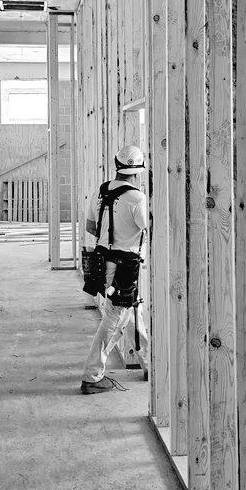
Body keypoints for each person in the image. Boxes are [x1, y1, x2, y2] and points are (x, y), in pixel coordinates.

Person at [80, 144, 149, 394]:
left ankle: (149, 362)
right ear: (137, 172)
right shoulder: (136, 198)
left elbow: (90, 227)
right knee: (115, 317)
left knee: (128, 312)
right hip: (125, 267)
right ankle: (92, 375)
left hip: (103, 263)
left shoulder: (100, 192)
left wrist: (111, 234)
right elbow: (149, 230)